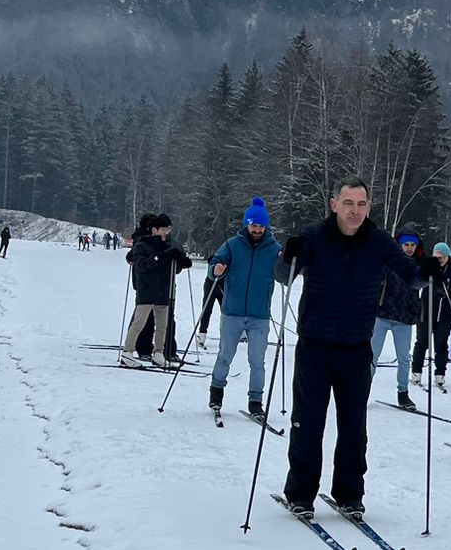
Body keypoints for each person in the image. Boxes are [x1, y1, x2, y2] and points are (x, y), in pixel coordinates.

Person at [277, 179, 410, 518]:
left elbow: (410, 274)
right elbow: (283, 275)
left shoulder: (378, 241)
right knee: (308, 423)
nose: (355, 211)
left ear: (368, 207)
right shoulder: (314, 236)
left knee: (354, 426)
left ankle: (349, 494)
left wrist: (430, 270)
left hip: (356, 348)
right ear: (334, 203)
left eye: (361, 204)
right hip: (315, 347)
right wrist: (287, 254)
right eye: (348, 203)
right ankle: (301, 494)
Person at [206, 198, 281, 418]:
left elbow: (285, 274)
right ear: (246, 224)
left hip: (259, 315)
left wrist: (290, 261)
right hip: (232, 312)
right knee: (225, 356)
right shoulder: (232, 245)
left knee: (257, 361)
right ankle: (216, 392)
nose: (257, 229)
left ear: (266, 226)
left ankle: (255, 401)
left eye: (260, 226)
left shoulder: (274, 249)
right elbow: (215, 266)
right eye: (253, 225)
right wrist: (216, 270)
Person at [121, 214, 192, 368]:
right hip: (146, 290)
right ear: (154, 229)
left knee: (162, 326)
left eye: (168, 229)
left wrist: (181, 262)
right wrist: (162, 257)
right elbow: (143, 264)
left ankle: (159, 353)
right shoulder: (142, 245)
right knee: (139, 323)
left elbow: (173, 265)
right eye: (163, 229)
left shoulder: (167, 246)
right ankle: (127, 352)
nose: (166, 232)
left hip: (163, 291)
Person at [372, 228, 426, 411]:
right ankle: (362, 390)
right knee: (372, 356)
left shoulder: (418, 266)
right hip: (383, 314)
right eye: (406, 245)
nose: (409, 248)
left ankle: (403, 394)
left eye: (412, 245)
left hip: (404, 318)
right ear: (399, 245)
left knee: (404, 358)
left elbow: (426, 283)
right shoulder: (389, 262)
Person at [413, 241, 451, 390]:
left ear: (448, 257)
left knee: (441, 345)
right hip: (425, 314)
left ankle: (440, 374)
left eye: (443, 256)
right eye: (438, 256)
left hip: (444, 316)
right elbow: (420, 281)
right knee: (422, 343)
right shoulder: (428, 268)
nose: (440, 259)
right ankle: (416, 372)